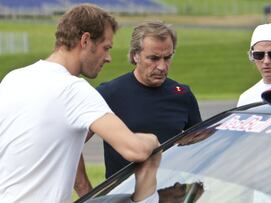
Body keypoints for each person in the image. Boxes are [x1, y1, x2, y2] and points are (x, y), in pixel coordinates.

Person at [0, 4, 160, 203]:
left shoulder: (13, 80)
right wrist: (152, 140)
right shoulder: (74, 90)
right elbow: (135, 149)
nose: (108, 58)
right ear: (85, 40)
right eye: (106, 48)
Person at [75, 20, 202, 195]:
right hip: (124, 197)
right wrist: (85, 191)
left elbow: (200, 151)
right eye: (153, 58)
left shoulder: (182, 94)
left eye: (168, 57)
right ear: (135, 55)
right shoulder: (110, 93)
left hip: (172, 196)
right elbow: (69, 145)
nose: (162, 66)